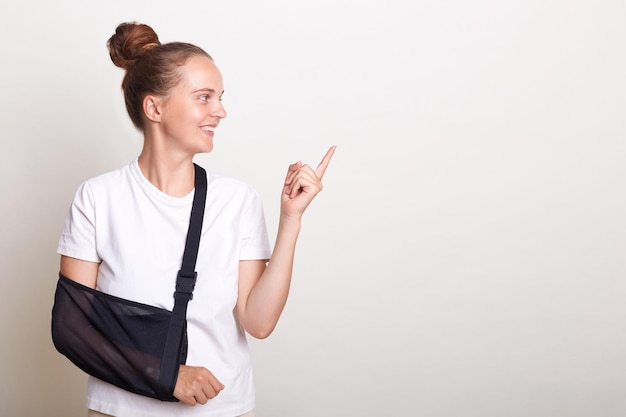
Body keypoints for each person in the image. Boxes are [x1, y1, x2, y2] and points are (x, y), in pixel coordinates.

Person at [57, 22, 335, 417]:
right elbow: (73, 328)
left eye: (220, 98)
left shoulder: (237, 200)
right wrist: (168, 376)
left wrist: (290, 220)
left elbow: (258, 323)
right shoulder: (98, 198)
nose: (220, 111)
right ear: (154, 107)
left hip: (220, 408)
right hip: (120, 409)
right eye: (204, 98)